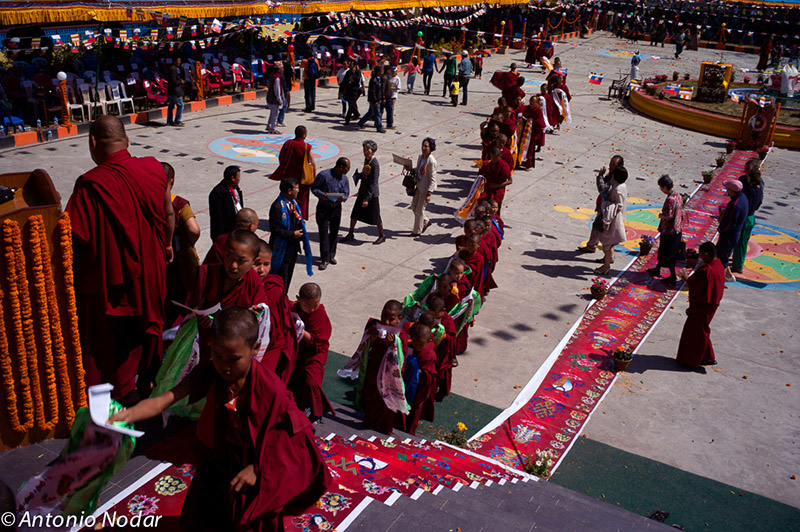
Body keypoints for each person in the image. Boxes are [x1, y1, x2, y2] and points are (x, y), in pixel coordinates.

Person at [108, 307, 330, 531]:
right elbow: (164, 399)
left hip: (249, 472)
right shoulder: (213, 371)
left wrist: (258, 469)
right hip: (217, 461)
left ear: (254, 348)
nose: (225, 366)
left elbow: (297, 439)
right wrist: (126, 415)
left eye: (234, 359)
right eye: (217, 355)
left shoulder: (270, 389)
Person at [65, 115, 174, 404]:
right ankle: (147, 382)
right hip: (151, 274)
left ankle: (114, 394)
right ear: (126, 140)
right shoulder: (154, 169)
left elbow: (75, 237)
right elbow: (168, 213)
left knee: (110, 346)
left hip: (113, 282)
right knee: (145, 334)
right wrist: (164, 245)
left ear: (92, 143)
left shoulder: (90, 185)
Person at [356, 300, 406, 435]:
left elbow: (401, 360)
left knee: (386, 403)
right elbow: (369, 350)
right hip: (373, 371)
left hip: (388, 377)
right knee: (371, 398)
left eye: (391, 319)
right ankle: (368, 421)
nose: (387, 322)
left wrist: (392, 344)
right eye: (384, 317)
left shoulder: (401, 337)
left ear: (399, 319)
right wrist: (372, 339)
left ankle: (385, 428)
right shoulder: (374, 327)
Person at [289, 283, 336, 422]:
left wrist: (300, 331)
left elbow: (315, 339)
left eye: (315, 305)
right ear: (298, 299)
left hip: (315, 352)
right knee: (293, 380)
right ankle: (297, 407)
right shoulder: (293, 308)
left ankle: (317, 411)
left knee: (311, 381)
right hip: (296, 350)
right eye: (307, 306)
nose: (311, 309)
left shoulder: (319, 313)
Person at [253, 240, 298, 384]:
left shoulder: (274, 288)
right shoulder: (240, 283)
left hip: (268, 346)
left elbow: (276, 325)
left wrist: (259, 318)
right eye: (257, 264)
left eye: (266, 264)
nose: (262, 270)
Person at [675, 242, 725, 367]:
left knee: (698, 331)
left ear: (707, 254)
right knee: (701, 329)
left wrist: (686, 278)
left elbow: (696, 286)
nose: (700, 257)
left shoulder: (706, 271)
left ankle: (692, 360)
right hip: (710, 303)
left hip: (703, 305)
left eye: (701, 254)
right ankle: (708, 357)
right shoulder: (718, 265)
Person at [164, 162, 201, 327]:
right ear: (172, 180)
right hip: (178, 259)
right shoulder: (178, 203)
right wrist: (188, 245)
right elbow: (194, 229)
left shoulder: (146, 200)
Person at [269, 178, 312, 293]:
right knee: (281, 275)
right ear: (289, 191)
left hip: (292, 247)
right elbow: (275, 229)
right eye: (296, 189)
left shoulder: (293, 204)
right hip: (281, 249)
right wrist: (292, 234)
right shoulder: (277, 207)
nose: (298, 191)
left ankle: (285, 294)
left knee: (288, 274)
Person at [341, 140, 386, 245]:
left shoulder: (374, 164)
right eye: (364, 149)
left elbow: (373, 183)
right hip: (363, 191)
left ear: (373, 151)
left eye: (367, 150)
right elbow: (367, 175)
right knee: (355, 214)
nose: (365, 152)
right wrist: (360, 175)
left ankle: (382, 235)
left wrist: (367, 198)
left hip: (371, 195)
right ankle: (350, 233)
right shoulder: (367, 160)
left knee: (376, 217)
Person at [578, 155, 624, 256]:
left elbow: (603, 190)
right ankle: (591, 246)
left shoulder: (615, 179)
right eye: (610, 163)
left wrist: (600, 176)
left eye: (613, 164)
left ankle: (608, 257)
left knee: (604, 232)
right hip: (602, 206)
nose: (610, 166)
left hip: (607, 209)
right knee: (596, 228)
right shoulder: (610, 175)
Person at [311, 157, 350, 270]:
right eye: (347, 167)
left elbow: (346, 192)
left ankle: (331, 255)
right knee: (323, 234)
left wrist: (343, 198)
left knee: (334, 233)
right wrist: (322, 195)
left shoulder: (345, 179)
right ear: (341, 167)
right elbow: (314, 188)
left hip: (336, 209)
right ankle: (324, 259)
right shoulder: (324, 175)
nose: (348, 170)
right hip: (323, 208)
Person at [270, 125, 316, 219]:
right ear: (304, 135)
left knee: (287, 196)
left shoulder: (288, 143)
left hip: (288, 176)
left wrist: (284, 168)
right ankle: (299, 217)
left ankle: (285, 215)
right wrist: (313, 176)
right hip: (301, 178)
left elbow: (281, 157)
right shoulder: (306, 147)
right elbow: (313, 163)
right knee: (301, 198)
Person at [647, 175, 683, 285]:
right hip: (677, 228)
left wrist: (661, 215)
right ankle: (658, 268)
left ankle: (672, 276)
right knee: (664, 250)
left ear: (664, 187)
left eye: (661, 187)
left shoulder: (670, 199)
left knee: (668, 252)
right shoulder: (678, 195)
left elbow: (668, 215)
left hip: (669, 230)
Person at [402, 323, 436, 436]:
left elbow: (430, 374)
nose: (417, 346)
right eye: (415, 342)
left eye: (420, 344)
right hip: (407, 381)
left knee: (415, 408)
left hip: (420, 386)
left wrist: (418, 372)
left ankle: (410, 430)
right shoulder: (410, 346)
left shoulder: (429, 354)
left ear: (428, 341)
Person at [594, 164, 628, 275]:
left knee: (608, 244)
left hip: (612, 219)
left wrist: (606, 204)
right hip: (615, 218)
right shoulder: (622, 186)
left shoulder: (618, 189)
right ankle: (608, 260)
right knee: (610, 243)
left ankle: (606, 266)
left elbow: (618, 205)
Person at [732, 161, 764, 275]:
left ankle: (737, 265)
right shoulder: (757, 184)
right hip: (750, 216)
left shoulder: (751, 188)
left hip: (745, 216)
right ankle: (737, 260)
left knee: (740, 241)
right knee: (741, 241)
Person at [716, 179, 749, 282]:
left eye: (728, 189)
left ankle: (722, 278)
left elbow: (729, 223)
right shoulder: (743, 198)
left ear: (732, 190)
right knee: (722, 255)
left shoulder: (735, 205)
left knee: (722, 256)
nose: (727, 191)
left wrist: (721, 229)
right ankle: (729, 276)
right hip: (735, 233)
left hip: (729, 236)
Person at [428, 295, 457, 402]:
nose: (434, 318)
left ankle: (443, 391)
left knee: (444, 373)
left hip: (444, 351)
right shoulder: (430, 316)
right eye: (432, 315)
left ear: (443, 311)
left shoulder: (447, 320)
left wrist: (443, 335)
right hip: (434, 349)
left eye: (436, 315)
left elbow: (452, 337)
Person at [410, 138, 438, 237]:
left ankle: (417, 231)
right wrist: (410, 169)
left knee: (419, 210)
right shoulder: (421, 157)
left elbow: (433, 179)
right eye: (423, 145)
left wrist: (429, 193)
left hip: (425, 189)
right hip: (418, 186)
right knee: (413, 206)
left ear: (431, 148)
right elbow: (418, 170)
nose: (424, 148)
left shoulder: (431, 161)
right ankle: (426, 221)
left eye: (426, 146)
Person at [208, 165, 243, 241]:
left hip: (236, 228)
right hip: (225, 233)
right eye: (238, 176)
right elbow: (217, 218)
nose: (240, 179)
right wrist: (221, 238)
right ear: (232, 178)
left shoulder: (236, 188)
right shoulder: (217, 193)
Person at [357, 65, 386, 133]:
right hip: (374, 100)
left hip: (377, 99)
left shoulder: (379, 79)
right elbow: (373, 91)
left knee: (370, 112)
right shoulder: (374, 80)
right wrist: (375, 100)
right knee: (377, 113)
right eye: (381, 71)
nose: (382, 72)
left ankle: (361, 122)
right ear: (378, 72)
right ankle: (379, 127)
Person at [265, 62, 284, 134]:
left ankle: (269, 125)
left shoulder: (272, 75)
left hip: (270, 97)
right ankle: (273, 128)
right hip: (274, 99)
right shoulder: (277, 78)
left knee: (272, 113)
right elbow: (277, 90)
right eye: (282, 68)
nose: (283, 70)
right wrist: (279, 99)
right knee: (275, 114)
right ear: (278, 69)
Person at [166, 57, 185, 127]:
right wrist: (180, 81)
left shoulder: (174, 68)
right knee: (180, 105)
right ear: (174, 61)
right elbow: (173, 81)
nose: (179, 62)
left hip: (172, 90)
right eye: (178, 60)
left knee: (171, 106)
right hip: (175, 90)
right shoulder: (173, 70)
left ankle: (169, 120)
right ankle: (177, 120)